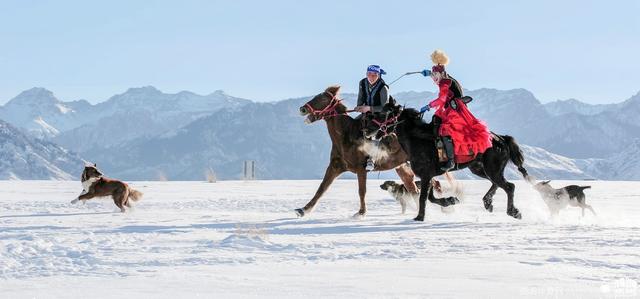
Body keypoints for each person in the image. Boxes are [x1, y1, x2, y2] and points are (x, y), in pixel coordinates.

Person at [420, 50, 492, 171]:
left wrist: (429, 105)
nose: (434, 78)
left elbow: (442, 99)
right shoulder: (447, 78)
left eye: (435, 75)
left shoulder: (444, 82)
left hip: (455, 111)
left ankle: (451, 160)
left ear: (441, 73)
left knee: (445, 131)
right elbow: (438, 77)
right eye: (433, 75)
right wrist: (429, 74)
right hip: (452, 108)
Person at [356, 65, 391, 171]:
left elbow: (385, 107)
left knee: (375, 133)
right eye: (369, 74)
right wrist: (359, 107)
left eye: (374, 75)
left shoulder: (383, 87)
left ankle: (371, 159)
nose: (371, 77)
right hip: (366, 113)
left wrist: (369, 108)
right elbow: (360, 97)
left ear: (378, 75)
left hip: (381, 115)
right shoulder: (362, 83)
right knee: (353, 124)